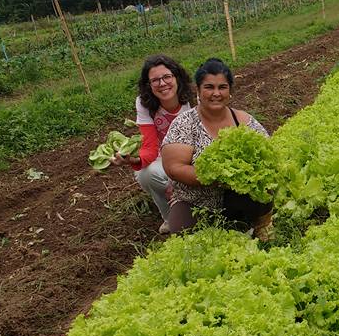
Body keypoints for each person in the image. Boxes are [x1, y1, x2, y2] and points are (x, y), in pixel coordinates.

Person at [161, 57, 273, 237]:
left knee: (260, 196)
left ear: (230, 91)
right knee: (183, 231)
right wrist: (214, 177)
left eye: (222, 87)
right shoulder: (185, 123)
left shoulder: (243, 120)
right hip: (195, 199)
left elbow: (268, 155)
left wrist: (244, 176)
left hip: (237, 196)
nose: (216, 93)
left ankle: (256, 225)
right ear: (198, 90)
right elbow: (174, 168)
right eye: (209, 87)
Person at [112, 55, 192, 233]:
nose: (162, 84)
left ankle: (193, 205)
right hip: (164, 156)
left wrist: (177, 179)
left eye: (167, 77)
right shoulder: (145, 103)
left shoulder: (193, 99)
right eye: (155, 80)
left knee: (184, 181)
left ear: (176, 77)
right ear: (149, 85)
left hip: (194, 154)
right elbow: (149, 145)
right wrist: (132, 160)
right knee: (145, 174)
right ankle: (170, 217)